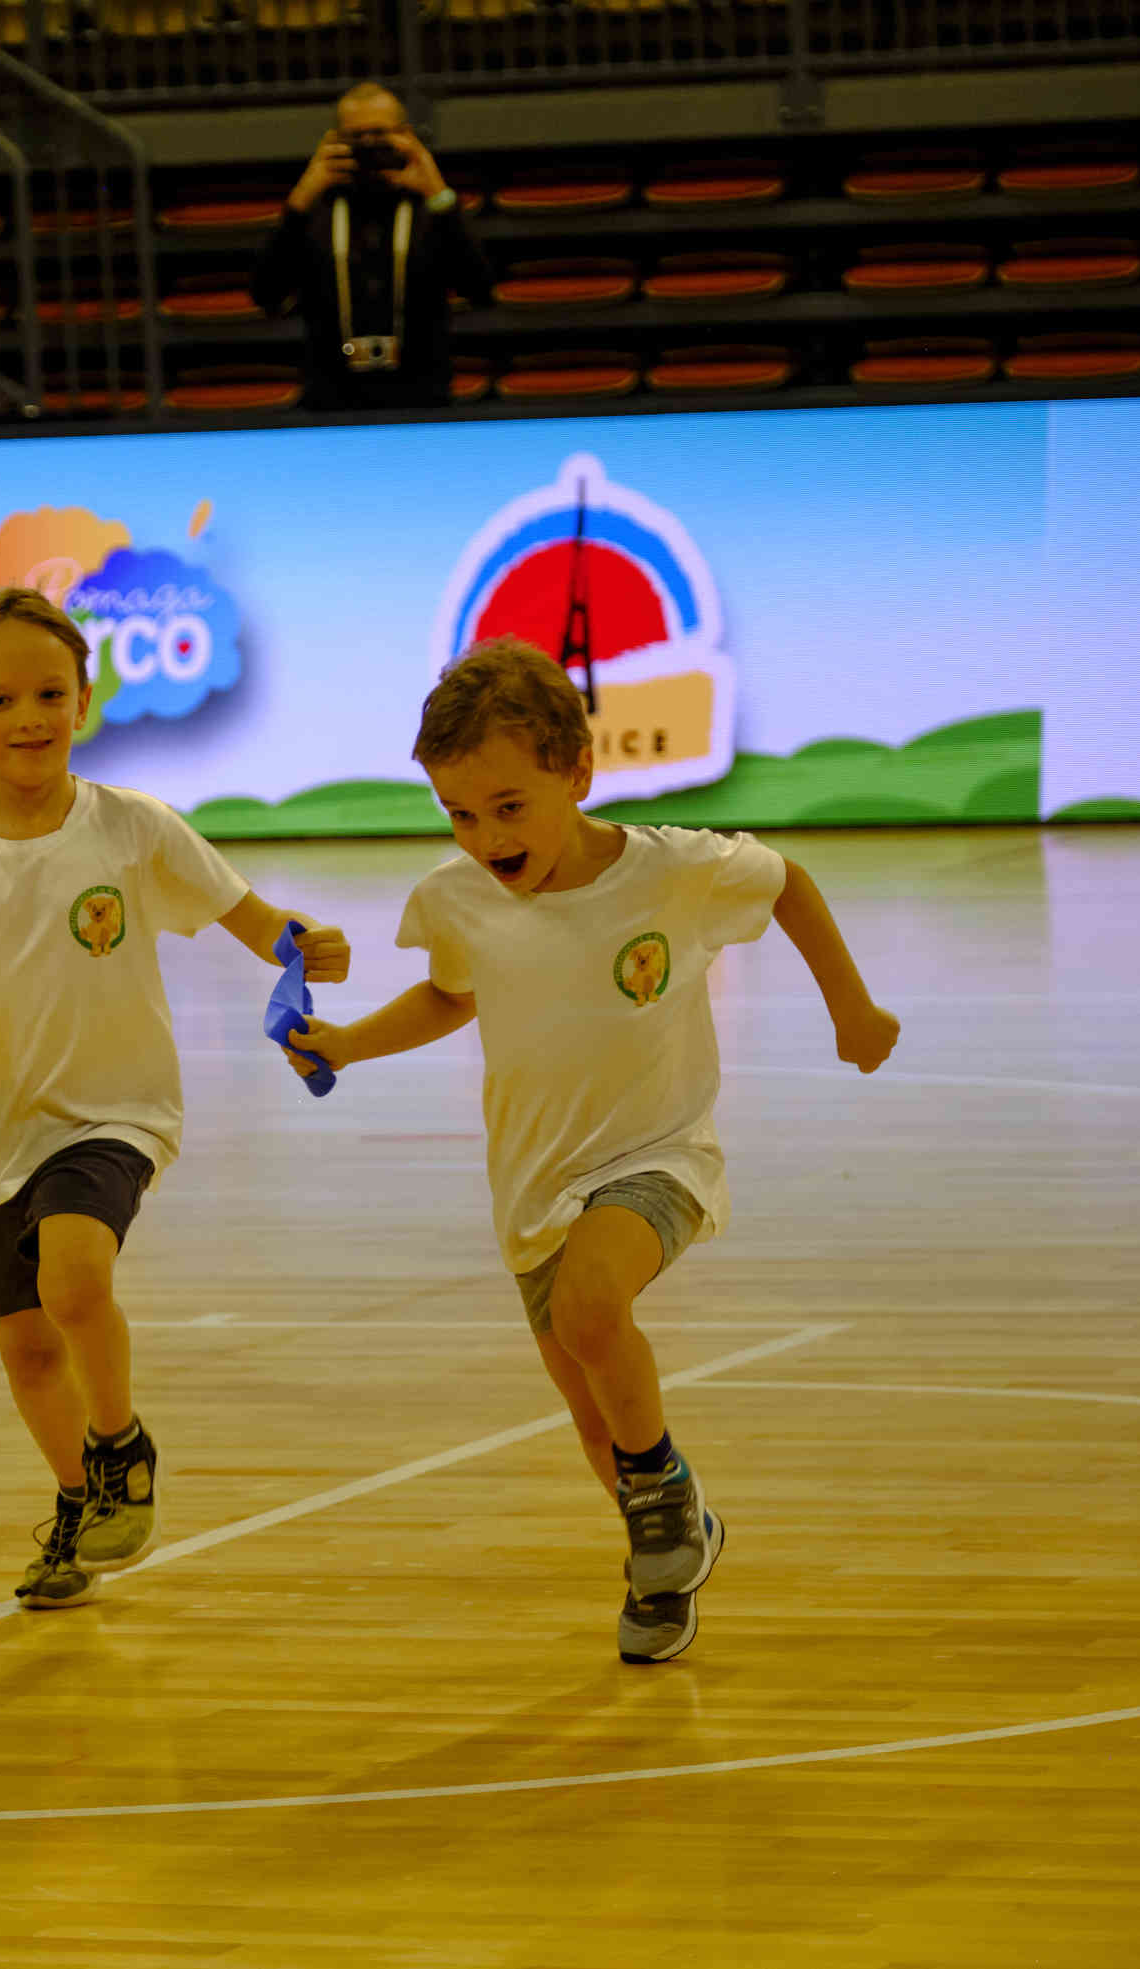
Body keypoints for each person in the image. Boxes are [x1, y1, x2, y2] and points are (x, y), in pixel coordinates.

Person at [280, 639, 900, 1664]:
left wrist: (852, 1007)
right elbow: (449, 992)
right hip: (531, 1185)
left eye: (509, 806)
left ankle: (665, 1489)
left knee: (591, 1306)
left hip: (657, 1155)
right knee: (586, 1408)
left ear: (577, 775)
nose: (484, 835)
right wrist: (347, 1041)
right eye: (459, 813)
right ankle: (666, 1550)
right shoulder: (456, 897)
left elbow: (786, 880)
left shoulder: (671, 871)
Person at [0, 586, 351, 1611]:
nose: (28, 715)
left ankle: (121, 1443)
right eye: (0, 700)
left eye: (49, 691)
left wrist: (308, 946)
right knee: (28, 1342)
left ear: (84, 698)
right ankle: (81, 1499)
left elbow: (253, 919)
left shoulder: (132, 827)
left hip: (114, 1110)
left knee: (76, 1277)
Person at [250, 82, 492, 412]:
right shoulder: (316, 211)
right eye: (356, 136)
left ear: (405, 135)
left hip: (422, 401)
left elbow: (479, 287)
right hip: (331, 403)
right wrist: (299, 201)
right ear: (334, 141)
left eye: (379, 134)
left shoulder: (429, 209)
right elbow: (266, 293)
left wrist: (438, 192)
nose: (368, 146)